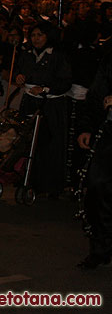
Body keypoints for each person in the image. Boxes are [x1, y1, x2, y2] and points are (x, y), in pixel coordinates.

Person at [15, 21, 71, 196]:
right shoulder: (27, 53)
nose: (36, 39)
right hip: (30, 102)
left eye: (40, 35)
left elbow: (65, 82)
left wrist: (46, 89)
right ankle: (28, 180)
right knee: (28, 143)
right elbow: (20, 71)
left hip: (50, 105)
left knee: (49, 146)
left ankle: (49, 185)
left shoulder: (58, 55)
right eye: (33, 35)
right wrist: (19, 76)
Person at [76, 53, 112, 269]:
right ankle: (100, 247)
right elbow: (96, 93)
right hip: (108, 133)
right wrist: (86, 127)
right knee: (98, 186)